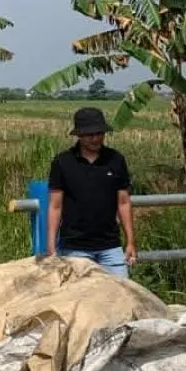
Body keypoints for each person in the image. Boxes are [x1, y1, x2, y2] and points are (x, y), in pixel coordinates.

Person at [44, 107, 137, 278]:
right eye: (89, 135)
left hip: (110, 246)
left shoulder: (115, 160)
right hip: (75, 248)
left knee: (121, 294)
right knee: (79, 299)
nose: (95, 139)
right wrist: (51, 245)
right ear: (79, 135)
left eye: (99, 133)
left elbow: (123, 202)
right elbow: (55, 206)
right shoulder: (63, 162)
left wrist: (130, 241)